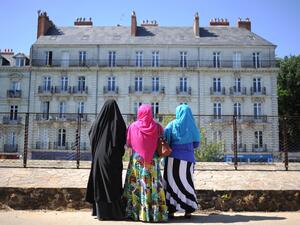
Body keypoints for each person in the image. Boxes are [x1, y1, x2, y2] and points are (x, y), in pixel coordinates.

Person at [123, 104, 168, 222]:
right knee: (153, 187)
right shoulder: (157, 127)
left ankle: (135, 213)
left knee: (136, 186)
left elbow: (128, 143)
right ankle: (154, 214)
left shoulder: (132, 127)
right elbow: (162, 140)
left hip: (137, 162)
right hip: (152, 163)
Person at [85, 99, 126, 220]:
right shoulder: (118, 122)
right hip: (112, 157)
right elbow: (122, 138)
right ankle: (113, 213)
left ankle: (100, 213)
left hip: (98, 157)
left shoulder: (97, 122)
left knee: (100, 183)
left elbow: (91, 134)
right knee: (112, 184)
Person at [163, 104, 200, 219]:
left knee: (171, 184)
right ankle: (188, 210)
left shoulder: (172, 124)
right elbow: (196, 144)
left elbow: (166, 139)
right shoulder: (193, 126)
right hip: (188, 160)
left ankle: (171, 211)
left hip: (173, 160)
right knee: (187, 183)